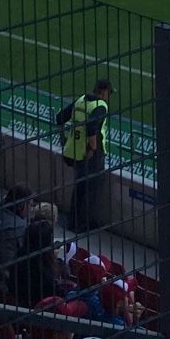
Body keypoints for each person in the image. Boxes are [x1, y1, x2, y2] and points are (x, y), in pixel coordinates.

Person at [59, 79, 113, 233]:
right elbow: (91, 126)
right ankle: (82, 224)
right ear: (103, 92)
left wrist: (62, 137)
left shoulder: (81, 100)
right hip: (90, 154)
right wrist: (92, 148)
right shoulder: (100, 107)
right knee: (90, 189)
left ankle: (73, 221)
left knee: (80, 187)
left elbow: (60, 117)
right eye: (109, 93)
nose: (109, 97)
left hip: (73, 151)